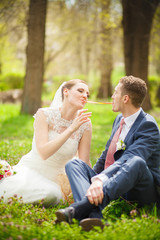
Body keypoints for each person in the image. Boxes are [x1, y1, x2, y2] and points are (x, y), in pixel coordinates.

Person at [55, 75, 160, 230]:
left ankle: (79, 209)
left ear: (125, 99)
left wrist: (100, 180)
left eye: (115, 93)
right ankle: (95, 217)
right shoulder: (119, 119)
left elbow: (130, 158)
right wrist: (93, 179)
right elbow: (106, 155)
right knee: (74, 164)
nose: (112, 96)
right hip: (114, 183)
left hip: (138, 190)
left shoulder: (148, 126)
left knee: (136, 161)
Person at [0, 79, 92, 206]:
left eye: (87, 94)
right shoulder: (44, 115)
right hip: (33, 170)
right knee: (48, 194)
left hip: (58, 179)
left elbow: (84, 162)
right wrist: (71, 129)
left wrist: (94, 183)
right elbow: (43, 152)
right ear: (66, 91)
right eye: (80, 91)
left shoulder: (85, 123)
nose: (84, 95)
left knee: (53, 194)